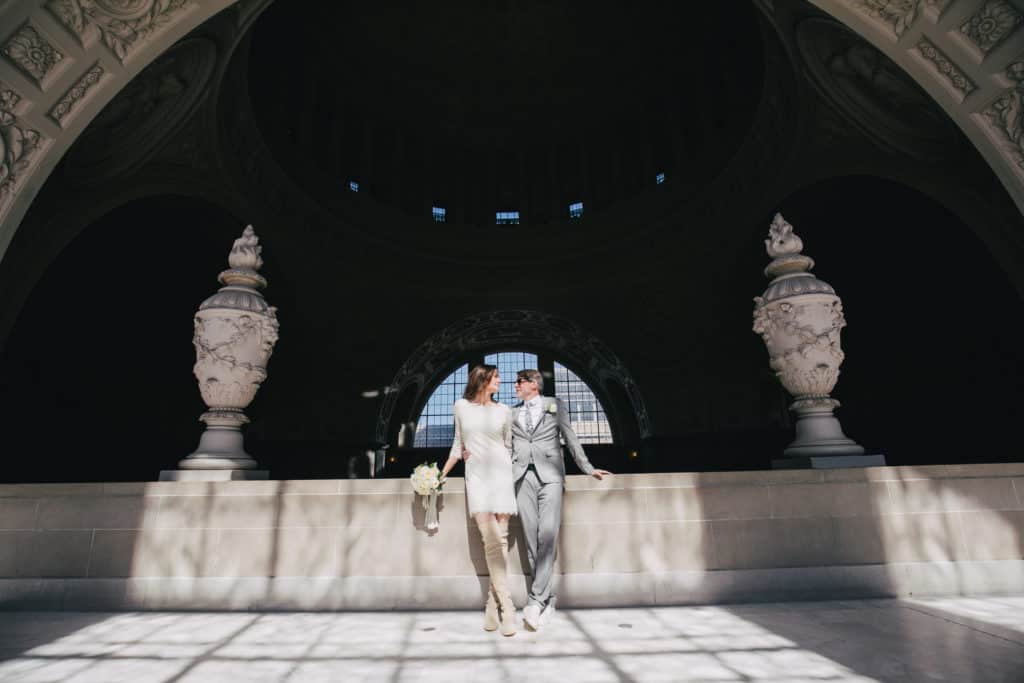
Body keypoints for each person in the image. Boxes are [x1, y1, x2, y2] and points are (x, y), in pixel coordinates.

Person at [508, 369, 611, 630]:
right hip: (521, 476)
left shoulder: (554, 404)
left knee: (548, 535)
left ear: (533, 384)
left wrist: (587, 467)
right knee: (531, 539)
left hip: (551, 475)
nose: (515, 386)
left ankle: (535, 600)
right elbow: (505, 445)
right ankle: (546, 598)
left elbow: (569, 436)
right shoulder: (511, 413)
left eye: (519, 382)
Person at [440, 364, 517, 636]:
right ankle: (507, 606)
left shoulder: (504, 411)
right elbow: (457, 444)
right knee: (492, 539)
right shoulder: (461, 406)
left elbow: (508, 446)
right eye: (496, 377)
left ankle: (492, 607)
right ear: (482, 380)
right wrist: (441, 474)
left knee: (500, 540)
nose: (501, 380)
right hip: (476, 477)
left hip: (501, 474)